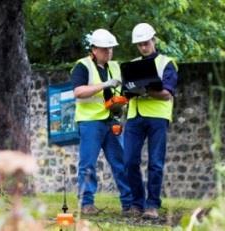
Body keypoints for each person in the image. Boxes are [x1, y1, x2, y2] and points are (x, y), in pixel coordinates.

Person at [71, 28, 132, 215]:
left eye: (111, 49)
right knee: (88, 164)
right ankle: (86, 204)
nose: (109, 52)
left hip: (111, 120)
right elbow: (78, 92)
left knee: (121, 163)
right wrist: (105, 84)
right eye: (105, 49)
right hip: (90, 123)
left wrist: (122, 102)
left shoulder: (115, 67)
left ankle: (129, 204)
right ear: (94, 49)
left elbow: (123, 91)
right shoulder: (82, 66)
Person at [123, 23, 178, 219]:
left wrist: (146, 90)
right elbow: (127, 92)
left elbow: (166, 93)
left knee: (155, 163)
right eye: (139, 45)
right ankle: (137, 203)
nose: (143, 47)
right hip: (134, 117)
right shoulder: (133, 64)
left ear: (153, 40)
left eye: (145, 43)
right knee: (129, 161)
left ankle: (152, 205)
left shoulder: (167, 63)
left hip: (158, 118)